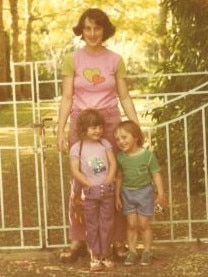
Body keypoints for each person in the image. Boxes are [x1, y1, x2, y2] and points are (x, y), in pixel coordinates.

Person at [56, 8, 139, 261]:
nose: (92, 33)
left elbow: (123, 96)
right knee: (80, 182)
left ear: (105, 30)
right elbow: (68, 96)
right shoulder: (72, 59)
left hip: (110, 124)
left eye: (97, 28)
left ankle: (116, 240)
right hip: (81, 124)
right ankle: (79, 239)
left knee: (111, 180)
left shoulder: (115, 59)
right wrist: (60, 130)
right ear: (82, 30)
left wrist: (135, 128)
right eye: (87, 28)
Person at [114, 120, 166, 266]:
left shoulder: (147, 156)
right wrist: (117, 196)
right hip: (127, 193)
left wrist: (160, 193)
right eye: (117, 139)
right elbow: (119, 177)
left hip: (145, 193)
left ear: (136, 137)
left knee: (143, 225)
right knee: (131, 224)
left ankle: (147, 251)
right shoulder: (120, 157)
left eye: (124, 137)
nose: (120, 142)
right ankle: (132, 251)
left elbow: (156, 174)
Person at [70, 108, 116, 271]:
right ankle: (95, 256)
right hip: (89, 193)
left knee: (107, 224)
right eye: (93, 128)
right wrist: (88, 184)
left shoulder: (105, 144)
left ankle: (106, 254)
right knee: (92, 225)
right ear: (84, 129)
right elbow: (75, 170)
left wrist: (108, 180)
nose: (98, 131)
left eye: (100, 127)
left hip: (107, 190)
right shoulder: (77, 148)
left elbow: (113, 163)